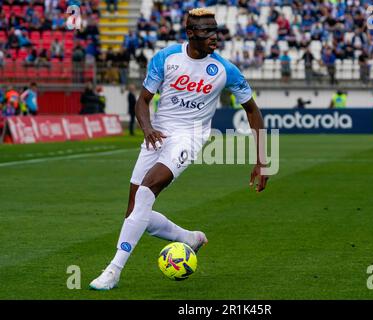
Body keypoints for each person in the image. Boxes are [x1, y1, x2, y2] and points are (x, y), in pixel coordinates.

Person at [89, 8, 269, 290]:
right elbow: (143, 101)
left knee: (148, 190)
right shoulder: (166, 58)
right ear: (190, 33)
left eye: (216, 30)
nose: (214, 36)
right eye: (207, 31)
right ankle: (189, 238)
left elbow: (253, 110)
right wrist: (147, 128)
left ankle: (113, 270)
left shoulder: (225, 69)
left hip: (190, 137)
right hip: (158, 135)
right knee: (135, 213)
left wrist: (262, 160)